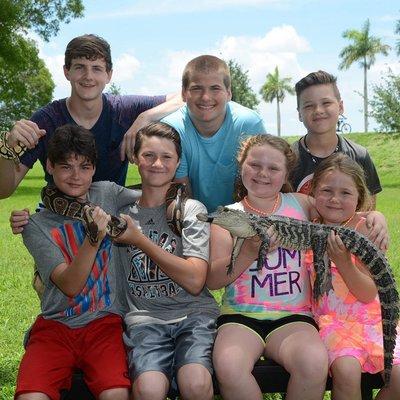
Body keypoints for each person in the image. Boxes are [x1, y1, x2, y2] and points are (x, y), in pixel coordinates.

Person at [15, 124, 139, 400]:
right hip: (55, 328)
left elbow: (151, 197)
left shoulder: (106, 193)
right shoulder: (36, 226)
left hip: (104, 324)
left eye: (84, 167)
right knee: (30, 396)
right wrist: (93, 239)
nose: (75, 176)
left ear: (94, 168)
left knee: (116, 393)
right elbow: (70, 285)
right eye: (66, 167)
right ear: (49, 166)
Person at [206, 134, 329, 400]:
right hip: (241, 317)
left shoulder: (301, 204)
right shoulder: (227, 216)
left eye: (273, 168)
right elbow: (214, 280)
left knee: (314, 361)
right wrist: (249, 250)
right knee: (229, 366)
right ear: (242, 166)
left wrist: (373, 217)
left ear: (286, 174)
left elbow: (343, 213)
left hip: (293, 315)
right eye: (254, 165)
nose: (263, 173)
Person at [0, 33, 182, 200]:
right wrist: (6, 148)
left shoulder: (124, 110)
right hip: (61, 219)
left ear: (109, 75)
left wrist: (145, 118)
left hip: (113, 217)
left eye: (96, 68)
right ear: (66, 72)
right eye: (80, 67)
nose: (88, 76)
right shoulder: (45, 120)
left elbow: (185, 96)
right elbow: (3, 190)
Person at [113, 122, 219, 400]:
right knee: (148, 389)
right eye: (148, 155)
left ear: (178, 162)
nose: (157, 163)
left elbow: (196, 281)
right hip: (146, 320)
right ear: (135, 158)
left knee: (195, 384)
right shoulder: (121, 213)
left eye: (167, 157)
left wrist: (140, 240)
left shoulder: (190, 210)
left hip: (194, 315)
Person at [306, 153, 400, 400]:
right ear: (313, 192)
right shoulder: (308, 228)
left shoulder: (366, 230)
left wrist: (344, 262)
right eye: (326, 190)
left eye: (346, 193)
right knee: (346, 370)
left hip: (374, 320)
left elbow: (369, 293)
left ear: (360, 197)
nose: (335, 199)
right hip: (333, 321)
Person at [162, 55, 266, 212]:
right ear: (183, 93)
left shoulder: (249, 124)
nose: (205, 97)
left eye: (215, 88)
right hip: (192, 216)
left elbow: (261, 182)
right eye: (197, 88)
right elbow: (182, 192)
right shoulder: (173, 129)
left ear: (229, 93)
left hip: (243, 215)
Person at [291, 70, 381, 209]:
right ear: (299, 114)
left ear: (340, 107)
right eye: (309, 106)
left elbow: (367, 212)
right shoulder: (288, 159)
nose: (318, 110)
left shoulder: (359, 156)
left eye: (326, 103)